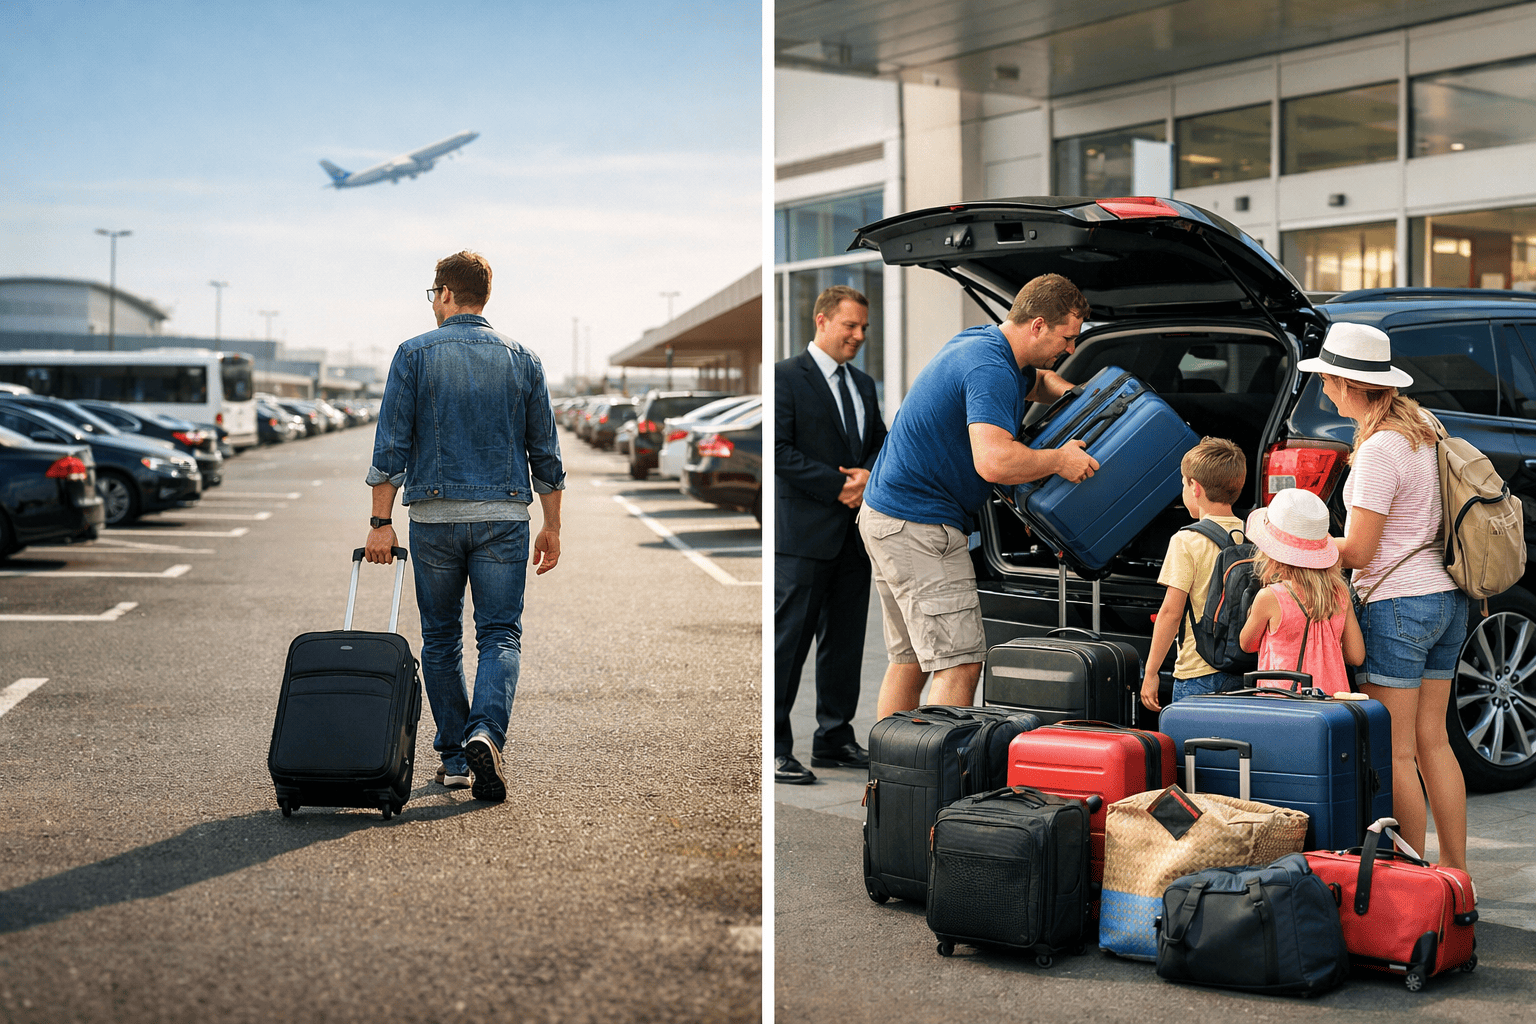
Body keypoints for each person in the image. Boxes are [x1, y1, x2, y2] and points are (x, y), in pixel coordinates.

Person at [365, 250, 564, 804]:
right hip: (504, 519)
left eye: (434, 294)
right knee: (500, 635)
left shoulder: (413, 355)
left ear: (447, 293)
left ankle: (455, 755)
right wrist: (553, 525)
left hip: (434, 519)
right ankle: (486, 733)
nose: (433, 304)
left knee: (441, 638)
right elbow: (545, 453)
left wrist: (381, 523)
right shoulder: (523, 358)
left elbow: (391, 448)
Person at [859, 273, 1098, 718]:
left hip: (890, 518)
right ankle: (936, 784)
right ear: (1038, 325)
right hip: (919, 526)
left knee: (910, 661)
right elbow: (994, 462)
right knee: (960, 663)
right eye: (1067, 337)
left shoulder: (987, 344)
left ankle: (893, 781)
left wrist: (1078, 397)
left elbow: (1035, 381)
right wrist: (1058, 460)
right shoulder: (989, 367)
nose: (1069, 350)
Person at [1298, 320, 1470, 871]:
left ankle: (1413, 879)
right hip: (1447, 598)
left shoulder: (1378, 451)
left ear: (1348, 384)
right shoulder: (1426, 428)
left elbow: (1363, 551)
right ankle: (1458, 876)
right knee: (1434, 743)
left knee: (1396, 753)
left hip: (1397, 605)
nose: (1323, 387)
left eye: (1326, 378)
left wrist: (1301, 539)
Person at [773, 285, 888, 785]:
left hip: (853, 536)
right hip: (802, 536)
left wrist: (867, 477)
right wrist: (840, 484)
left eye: (864, 327)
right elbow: (779, 450)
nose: (860, 335)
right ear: (822, 321)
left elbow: (880, 442)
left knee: (844, 643)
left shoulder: (863, 384)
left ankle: (834, 738)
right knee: (788, 645)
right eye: (851, 326)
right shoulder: (784, 377)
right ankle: (775, 747)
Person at [1139, 437, 1249, 712]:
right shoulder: (1252, 534)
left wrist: (1151, 672)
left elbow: (1170, 613)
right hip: (1246, 671)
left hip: (1197, 673)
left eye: (1183, 482)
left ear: (1195, 487)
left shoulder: (1186, 540)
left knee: (1191, 753)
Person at [1237, 487, 1365, 695]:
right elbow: (1356, 656)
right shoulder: (1340, 595)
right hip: (1331, 705)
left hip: (1283, 705)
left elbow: (1247, 644)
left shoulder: (1270, 598)